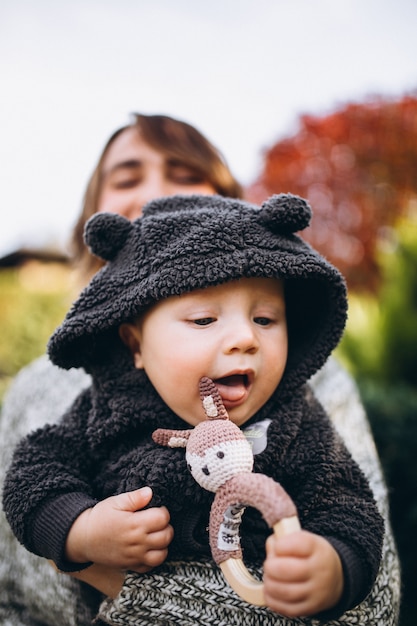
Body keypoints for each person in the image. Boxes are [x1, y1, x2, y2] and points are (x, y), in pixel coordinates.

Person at [0, 114, 400, 626]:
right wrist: (78, 532)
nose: (244, 337)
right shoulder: (105, 401)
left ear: (229, 204)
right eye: (203, 318)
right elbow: (35, 476)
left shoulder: (298, 409)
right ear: (134, 345)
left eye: (265, 319)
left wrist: (336, 569)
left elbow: (349, 510)